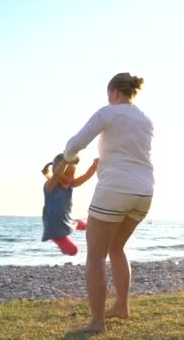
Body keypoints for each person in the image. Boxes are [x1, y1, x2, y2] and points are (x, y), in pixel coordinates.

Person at [62, 72, 154, 334]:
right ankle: (122, 307)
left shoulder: (109, 112)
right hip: (144, 191)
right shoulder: (145, 120)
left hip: (115, 189)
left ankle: (97, 322)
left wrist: (67, 159)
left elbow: (75, 144)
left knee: (95, 254)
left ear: (114, 92)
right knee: (116, 248)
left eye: (109, 95)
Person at [41, 154, 99, 255]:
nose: (70, 177)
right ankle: (76, 224)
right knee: (73, 251)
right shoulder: (50, 186)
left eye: (72, 174)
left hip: (65, 221)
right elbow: (57, 175)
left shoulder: (70, 185)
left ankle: (77, 223)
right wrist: (66, 161)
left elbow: (85, 177)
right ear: (56, 171)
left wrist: (94, 166)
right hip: (54, 227)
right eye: (66, 174)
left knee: (86, 225)